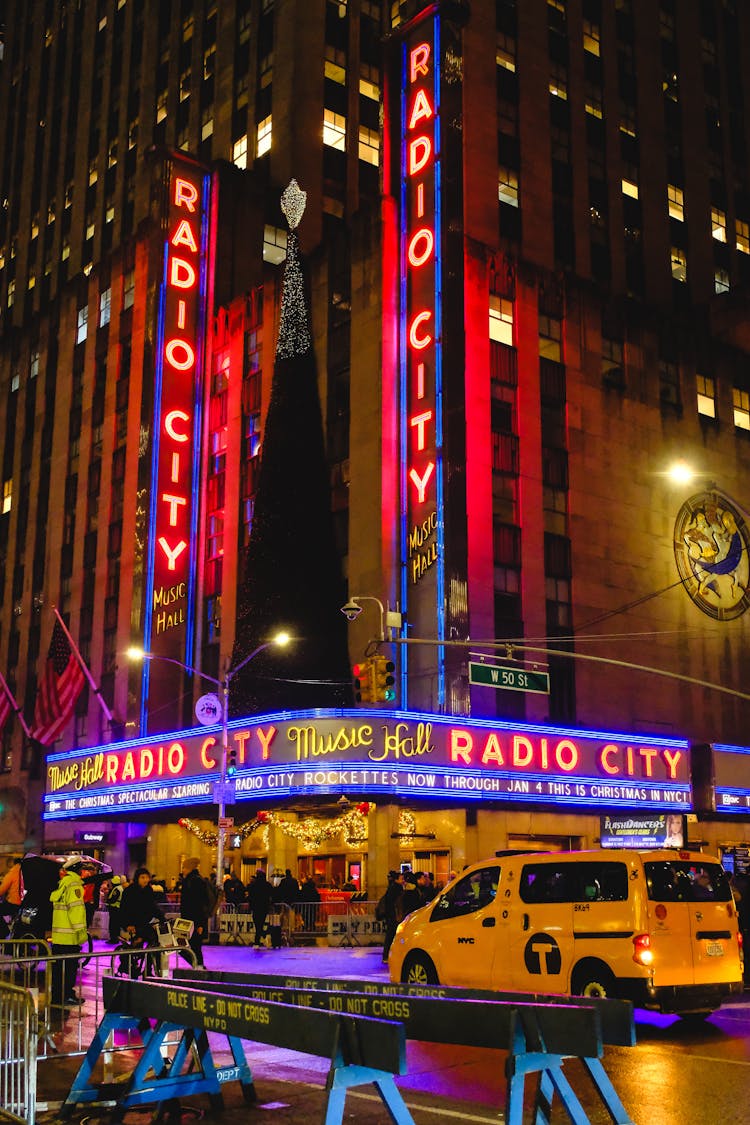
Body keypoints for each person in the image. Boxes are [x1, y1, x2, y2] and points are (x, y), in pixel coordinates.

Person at [49, 856, 88, 1007]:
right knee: (70, 969)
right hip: (70, 937)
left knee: (59, 970)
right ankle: (67, 996)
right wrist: (81, 933)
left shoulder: (62, 884)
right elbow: (76, 911)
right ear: (78, 869)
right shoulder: (74, 885)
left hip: (59, 937)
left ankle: (57, 997)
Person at [119, 867, 165, 976]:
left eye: (147, 877)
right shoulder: (129, 891)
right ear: (137, 878)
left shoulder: (149, 890)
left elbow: (153, 907)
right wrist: (127, 924)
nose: (145, 880)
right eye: (142, 877)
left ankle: (148, 969)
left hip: (145, 923)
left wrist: (162, 918)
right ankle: (131, 966)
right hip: (133, 924)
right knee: (137, 945)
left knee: (155, 943)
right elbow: (124, 909)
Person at [179, 857, 211, 968]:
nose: (182, 870)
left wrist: (200, 924)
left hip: (194, 921)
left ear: (190, 868)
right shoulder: (190, 880)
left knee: (193, 946)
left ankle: (199, 967)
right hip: (189, 920)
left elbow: (200, 904)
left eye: (184, 867)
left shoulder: (195, 881)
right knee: (188, 946)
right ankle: (198, 966)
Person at [381, 870, 404, 964]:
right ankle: (388, 955)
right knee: (392, 936)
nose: (403, 880)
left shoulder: (391, 887)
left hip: (390, 916)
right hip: (394, 916)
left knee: (390, 936)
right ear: (397, 879)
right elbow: (398, 904)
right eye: (401, 878)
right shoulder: (397, 888)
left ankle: (387, 955)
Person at [247, 868, 273, 947]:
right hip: (264, 906)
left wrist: (250, 905)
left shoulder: (253, 885)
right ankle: (261, 936)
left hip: (255, 907)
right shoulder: (267, 885)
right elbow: (271, 894)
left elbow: (250, 896)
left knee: (257, 924)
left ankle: (257, 940)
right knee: (260, 923)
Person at [106, 876, 124, 942]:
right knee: (117, 925)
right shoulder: (121, 888)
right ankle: (116, 938)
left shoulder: (116, 889)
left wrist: (107, 901)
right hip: (118, 909)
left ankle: (113, 939)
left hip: (115, 909)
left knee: (113, 925)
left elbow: (113, 899)